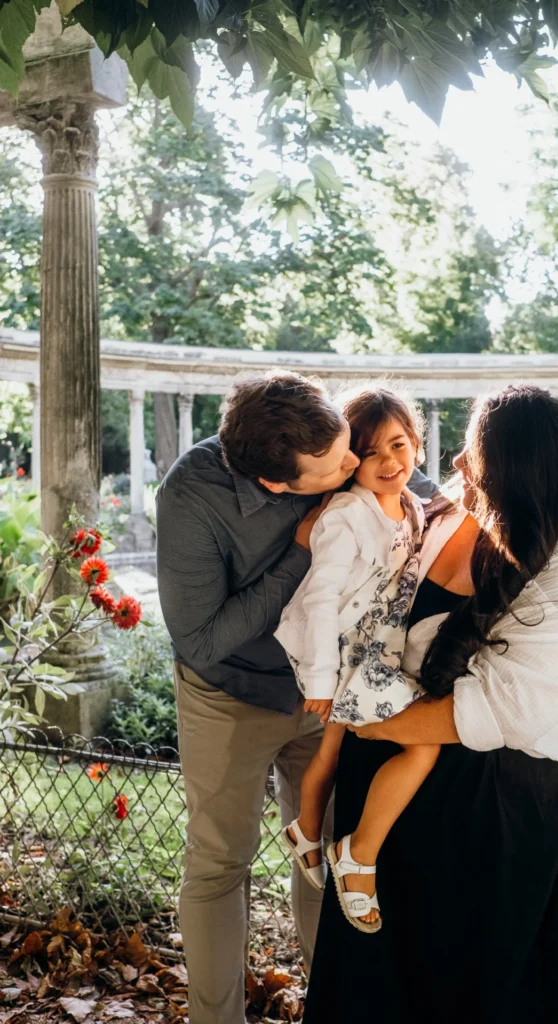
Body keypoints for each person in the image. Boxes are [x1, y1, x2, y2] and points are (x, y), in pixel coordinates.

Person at [303, 384, 558, 1024]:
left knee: (471, 989)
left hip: (493, 819)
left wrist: (368, 723)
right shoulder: (442, 513)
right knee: (380, 990)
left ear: (516, 469)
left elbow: (502, 708)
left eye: (474, 453)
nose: (457, 463)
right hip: (397, 800)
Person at [155, 370, 437, 1024]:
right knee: (220, 865)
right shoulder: (192, 493)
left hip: (327, 699)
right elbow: (201, 638)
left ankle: (333, 1009)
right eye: (338, 465)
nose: (353, 466)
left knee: (329, 851)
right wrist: (301, 554)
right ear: (279, 484)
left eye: (349, 450)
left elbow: (417, 490)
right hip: (229, 691)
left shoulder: (332, 443)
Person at [275, 387, 462, 933]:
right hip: (341, 653)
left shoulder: (412, 506)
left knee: (331, 750)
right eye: (370, 451)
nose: (388, 461)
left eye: (398, 445)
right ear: (349, 459)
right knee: (423, 744)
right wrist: (320, 680)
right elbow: (319, 599)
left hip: (375, 647)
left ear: (417, 446)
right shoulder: (346, 515)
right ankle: (358, 854)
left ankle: (305, 829)